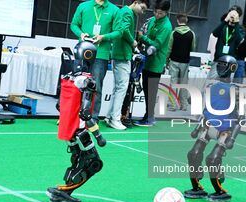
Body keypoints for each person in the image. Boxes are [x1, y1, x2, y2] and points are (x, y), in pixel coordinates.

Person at [46, 41, 106, 202]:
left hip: (68, 129)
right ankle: (64, 193)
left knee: (79, 161)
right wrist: (99, 136)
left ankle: (63, 192)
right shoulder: (87, 81)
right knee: (93, 163)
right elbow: (86, 113)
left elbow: (60, 104)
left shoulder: (68, 76)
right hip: (80, 130)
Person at [184, 55, 242, 202]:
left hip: (225, 130)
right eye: (220, 64)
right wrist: (198, 128)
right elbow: (207, 110)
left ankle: (219, 191)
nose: (221, 67)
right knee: (193, 154)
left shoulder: (235, 90)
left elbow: (241, 118)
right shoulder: (211, 87)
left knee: (213, 159)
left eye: (225, 64)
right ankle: (197, 187)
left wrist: (232, 138)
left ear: (232, 68)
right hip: (208, 125)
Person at [70, 0, 122, 123]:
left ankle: (92, 117)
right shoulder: (83, 6)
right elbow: (74, 24)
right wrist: (81, 34)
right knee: (77, 84)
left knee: (96, 86)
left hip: (101, 54)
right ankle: (72, 116)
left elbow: (119, 32)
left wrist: (104, 37)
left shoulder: (115, 10)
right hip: (82, 51)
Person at [105, 0, 149, 130]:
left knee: (117, 88)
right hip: (122, 54)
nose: (142, 12)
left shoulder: (124, 11)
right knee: (121, 88)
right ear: (136, 2)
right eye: (142, 8)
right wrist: (133, 42)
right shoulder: (127, 13)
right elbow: (123, 30)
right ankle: (115, 118)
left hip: (119, 53)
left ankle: (109, 116)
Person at [134, 0, 172, 127]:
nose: (157, 14)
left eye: (160, 13)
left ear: (166, 12)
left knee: (151, 91)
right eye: (155, 11)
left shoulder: (166, 26)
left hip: (156, 63)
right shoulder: (152, 20)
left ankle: (150, 118)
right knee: (146, 89)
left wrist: (142, 37)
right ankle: (147, 116)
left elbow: (157, 44)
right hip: (147, 60)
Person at [166, 13, 196, 111]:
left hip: (174, 61)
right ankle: (184, 105)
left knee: (173, 83)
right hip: (185, 61)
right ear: (186, 20)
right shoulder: (191, 33)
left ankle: (172, 105)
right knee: (184, 83)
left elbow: (169, 48)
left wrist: (167, 59)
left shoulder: (173, 33)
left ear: (178, 21)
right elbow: (193, 48)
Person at [207, 5, 245, 79]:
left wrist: (236, 23)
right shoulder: (223, 26)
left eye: (235, 14)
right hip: (218, 60)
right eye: (231, 14)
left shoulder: (239, 29)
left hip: (230, 62)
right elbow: (214, 33)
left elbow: (238, 40)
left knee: (224, 86)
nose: (232, 16)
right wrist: (225, 21)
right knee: (210, 83)